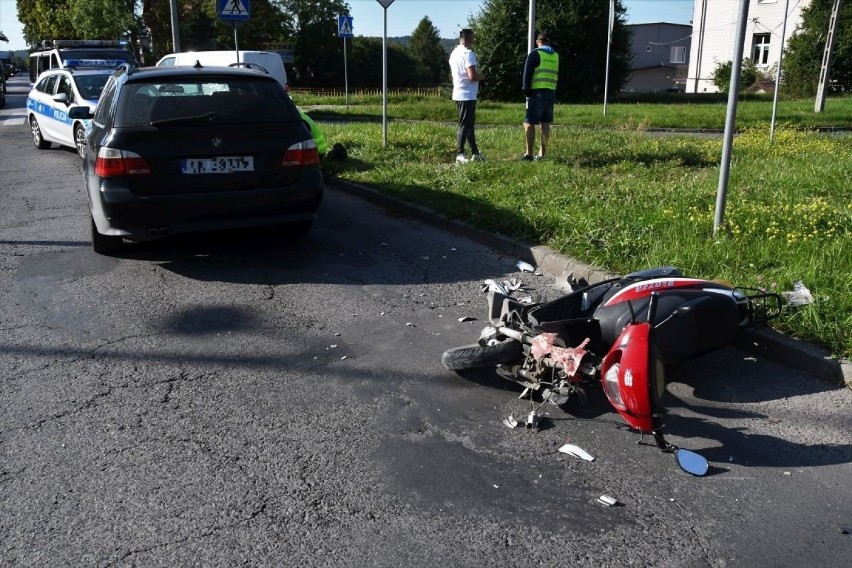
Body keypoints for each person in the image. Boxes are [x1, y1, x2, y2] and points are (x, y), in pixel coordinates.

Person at [521, 31, 559, 161]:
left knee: (529, 123)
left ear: (537, 42)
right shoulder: (555, 55)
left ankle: (529, 154)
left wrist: (526, 90)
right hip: (550, 92)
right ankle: (542, 153)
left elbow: (527, 73)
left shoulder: (535, 54)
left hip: (536, 92)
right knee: (545, 123)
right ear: (549, 42)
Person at [448, 28, 485, 164]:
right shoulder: (468, 54)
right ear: (469, 38)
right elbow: (472, 76)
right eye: (473, 38)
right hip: (467, 94)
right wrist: (482, 76)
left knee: (469, 124)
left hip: (458, 92)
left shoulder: (454, 53)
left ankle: (475, 152)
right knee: (465, 124)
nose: (473, 40)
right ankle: (460, 153)